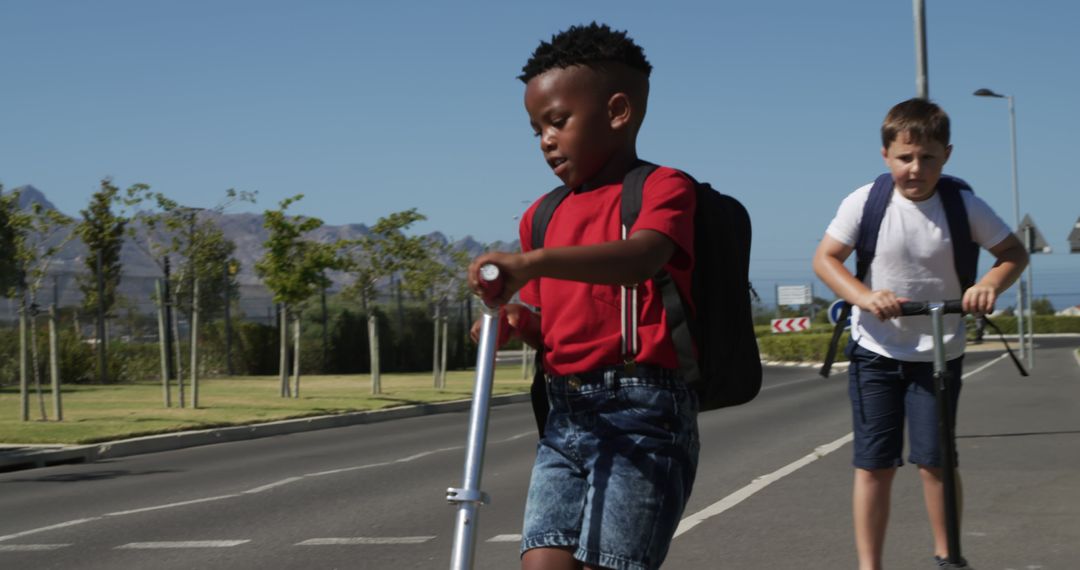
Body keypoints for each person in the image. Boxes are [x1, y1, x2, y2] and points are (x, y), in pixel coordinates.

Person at [467, 22, 700, 570]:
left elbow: (641, 257)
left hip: (642, 411)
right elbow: (553, 325)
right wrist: (512, 324)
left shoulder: (662, 188)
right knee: (542, 562)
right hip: (564, 415)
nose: (546, 140)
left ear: (618, 112)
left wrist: (531, 264)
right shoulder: (541, 216)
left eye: (557, 121)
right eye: (536, 130)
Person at [812, 98, 1029, 569]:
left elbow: (1013, 252)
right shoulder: (865, 202)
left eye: (928, 157)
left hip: (938, 353)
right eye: (905, 157)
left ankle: (948, 556)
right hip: (875, 350)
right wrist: (864, 297)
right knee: (874, 464)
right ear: (886, 155)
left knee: (935, 462)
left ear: (946, 155)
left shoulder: (963, 205)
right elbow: (826, 259)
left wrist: (988, 284)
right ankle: (870, 565)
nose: (916, 168)